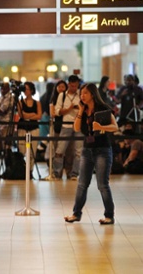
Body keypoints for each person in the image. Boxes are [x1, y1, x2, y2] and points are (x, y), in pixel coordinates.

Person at [64, 83, 118, 225]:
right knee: (82, 183)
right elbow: (76, 128)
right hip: (87, 150)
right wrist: (81, 111)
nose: (82, 96)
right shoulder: (84, 110)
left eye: (85, 93)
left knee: (102, 184)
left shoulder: (103, 109)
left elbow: (115, 127)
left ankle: (109, 215)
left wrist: (101, 127)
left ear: (92, 94)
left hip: (102, 150)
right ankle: (76, 214)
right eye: (81, 93)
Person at [53, 75, 83, 180]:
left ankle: (74, 174)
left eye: (76, 86)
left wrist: (79, 108)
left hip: (79, 125)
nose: (74, 88)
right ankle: (57, 173)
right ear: (68, 84)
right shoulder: (62, 95)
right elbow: (57, 111)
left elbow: (86, 109)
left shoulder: (81, 94)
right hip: (66, 125)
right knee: (60, 150)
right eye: (72, 86)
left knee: (78, 151)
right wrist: (69, 109)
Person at [17, 81, 42, 174]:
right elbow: (21, 115)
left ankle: (30, 170)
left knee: (33, 150)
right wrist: (32, 114)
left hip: (34, 127)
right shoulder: (20, 102)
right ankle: (22, 169)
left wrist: (28, 115)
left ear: (31, 90)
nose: (25, 91)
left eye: (27, 89)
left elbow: (39, 116)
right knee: (22, 148)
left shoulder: (37, 103)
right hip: (22, 127)